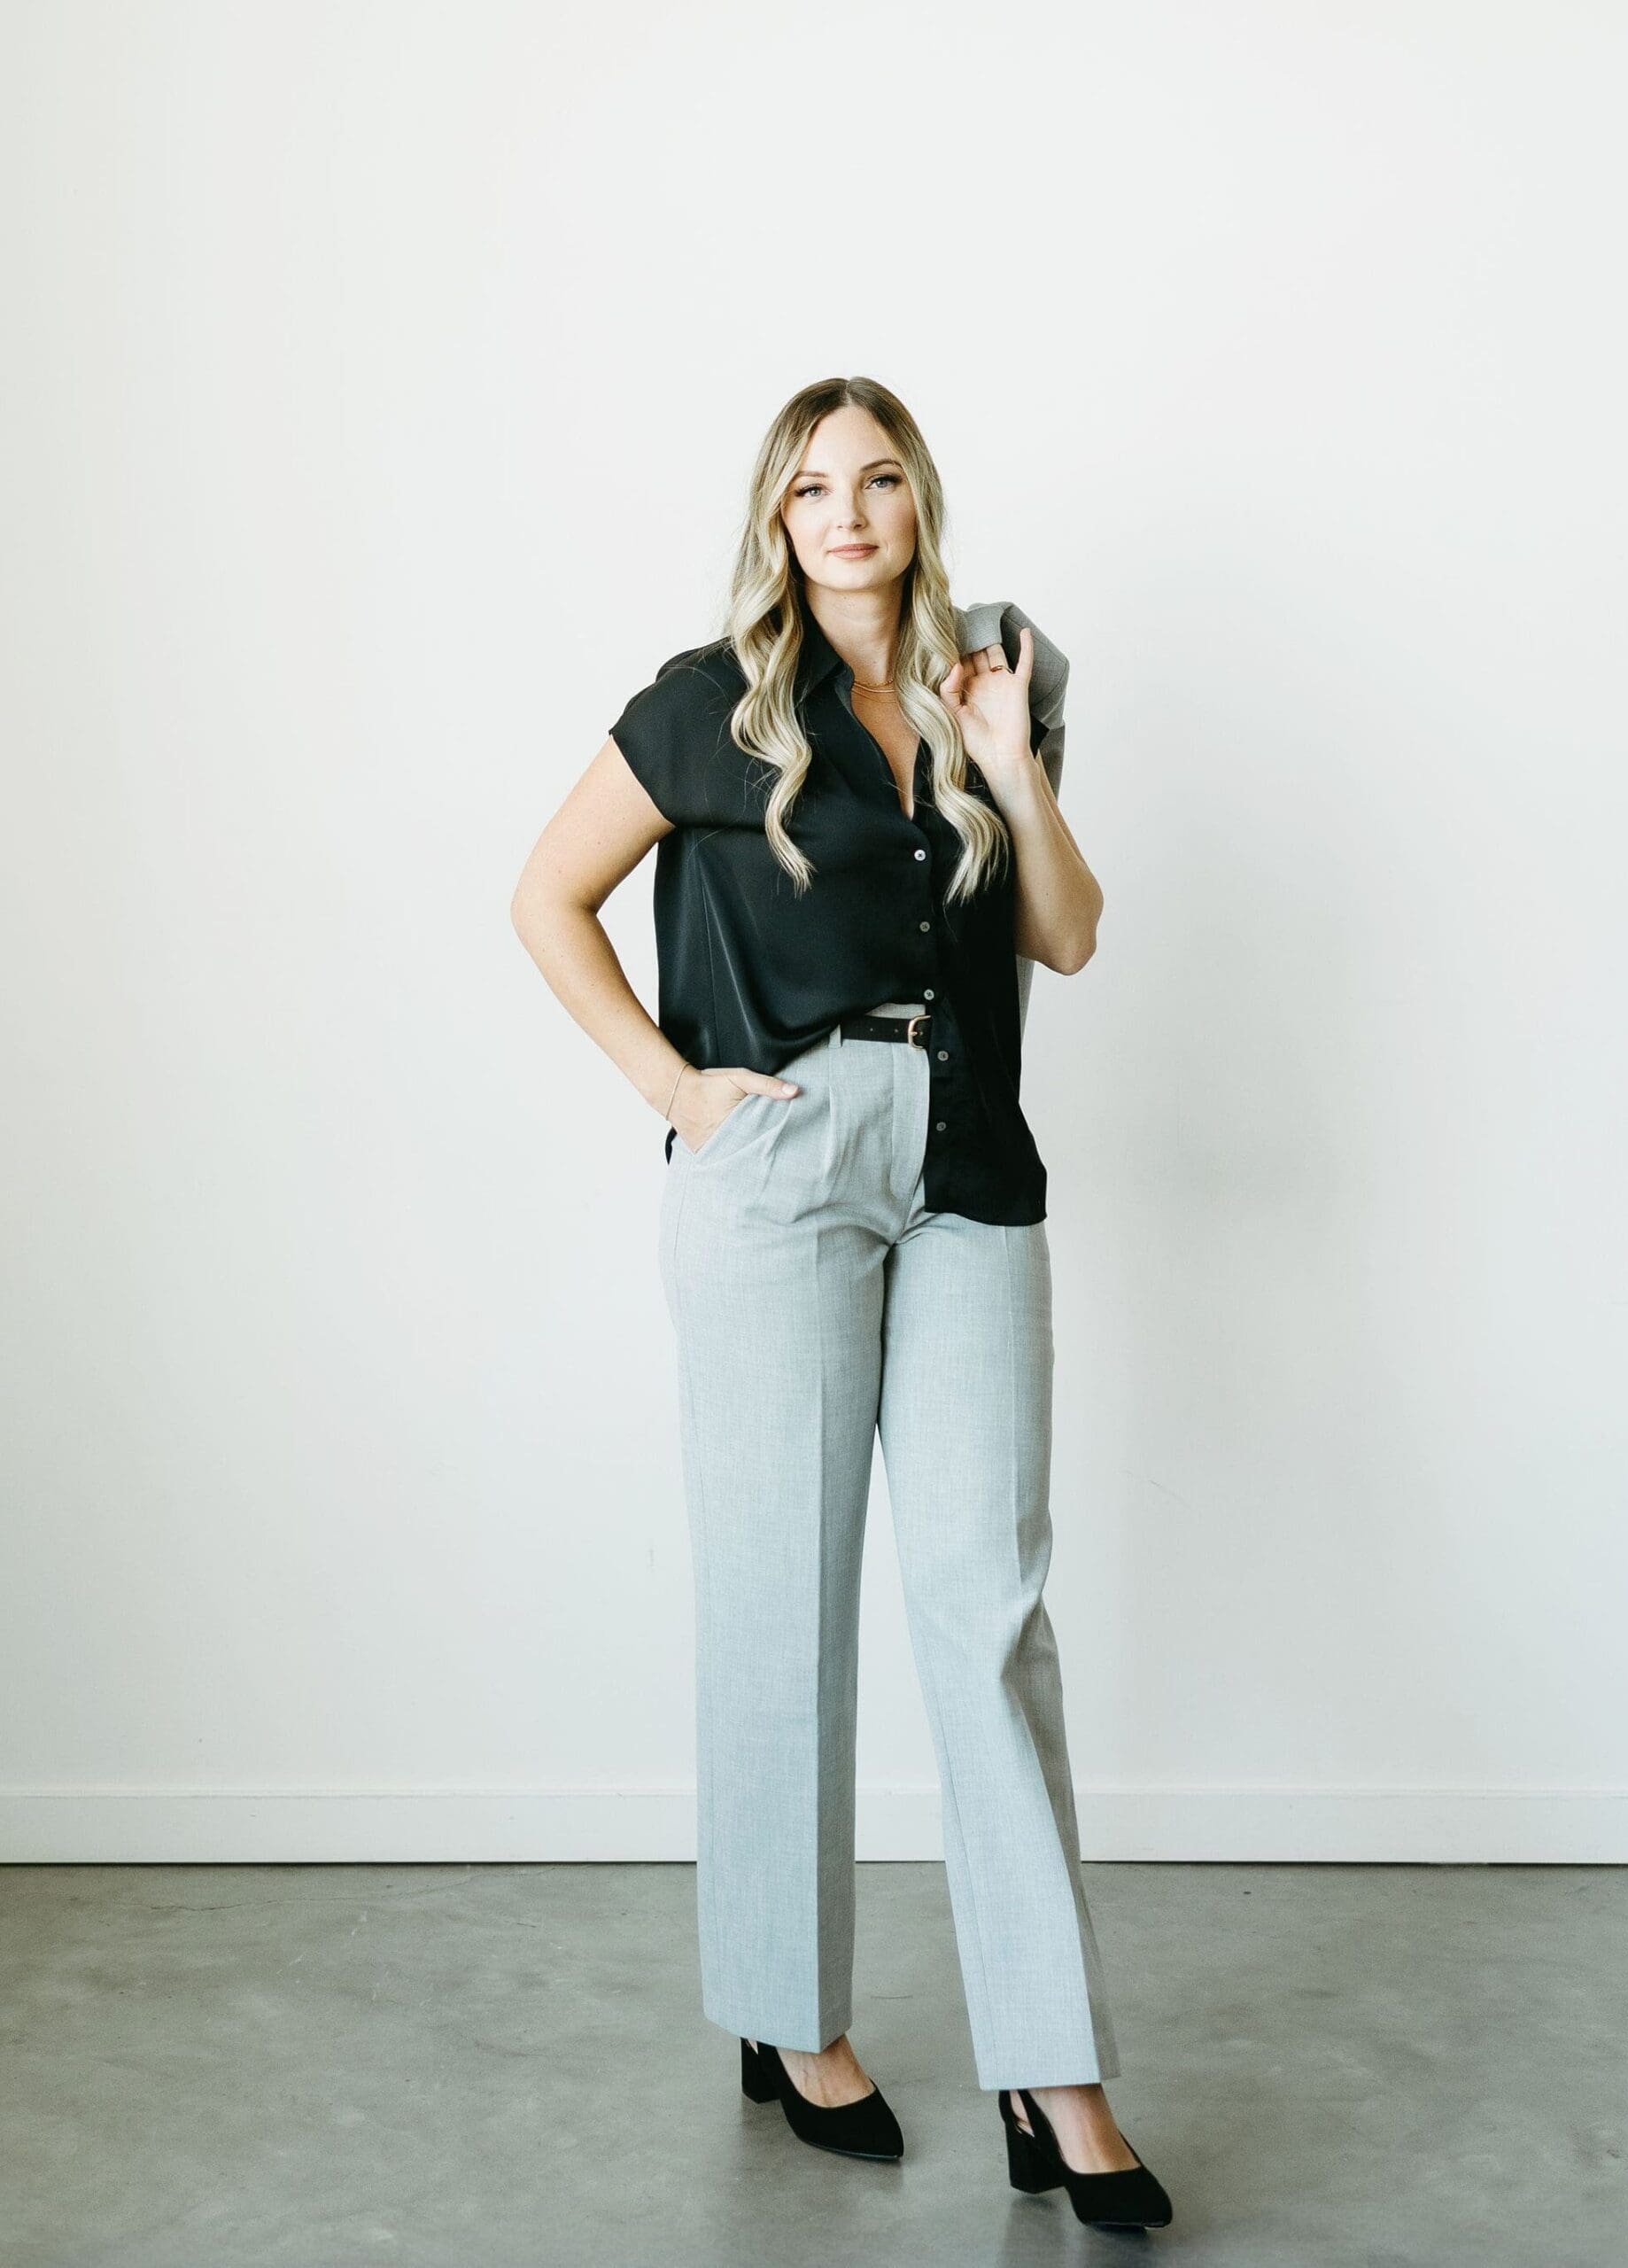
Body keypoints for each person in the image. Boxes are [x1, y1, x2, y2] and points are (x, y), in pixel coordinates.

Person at [510, 376, 1173, 2233]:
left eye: (880, 476)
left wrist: (1015, 757)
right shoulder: (701, 705)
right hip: (779, 1163)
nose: (852, 510)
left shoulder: (1002, 675)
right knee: (780, 1596)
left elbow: (1067, 930)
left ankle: (1056, 2069)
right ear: (778, 517)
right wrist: (677, 1090)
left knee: (990, 1607)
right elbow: (545, 896)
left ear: (919, 498)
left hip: (966, 1160)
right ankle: (788, 2018)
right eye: (816, 485)